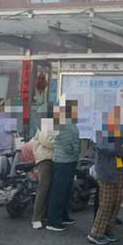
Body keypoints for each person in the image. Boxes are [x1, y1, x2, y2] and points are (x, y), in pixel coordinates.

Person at [88, 107, 123, 245]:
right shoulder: (101, 132)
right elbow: (112, 149)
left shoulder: (118, 132)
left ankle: (107, 229)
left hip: (119, 169)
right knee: (106, 203)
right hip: (106, 171)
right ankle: (96, 233)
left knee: (116, 202)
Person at [46, 99, 80, 232]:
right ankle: (53, 221)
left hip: (69, 160)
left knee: (66, 190)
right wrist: (73, 150)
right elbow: (65, 140)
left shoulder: (67, 121)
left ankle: (63, 216)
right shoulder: (61, 122)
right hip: (63, 160)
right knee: (59, 191)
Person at [31, 108, 56, 230]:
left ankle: (43, 215)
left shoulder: (50, 127)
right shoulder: (44, 127)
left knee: (48, 188)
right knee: (43, 188)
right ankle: (36, 218)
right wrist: (60, 142)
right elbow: (48, 142)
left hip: (51, 159)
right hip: (45, 160)